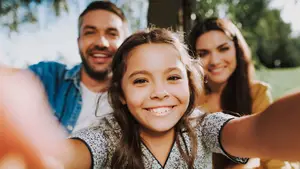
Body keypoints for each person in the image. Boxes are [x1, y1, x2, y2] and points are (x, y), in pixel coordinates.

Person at [1, 28, 300, 169]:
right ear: (120, 93)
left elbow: (258, 131)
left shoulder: (204, 127)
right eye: (141, 80)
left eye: (172, 77)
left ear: (191, 83)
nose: (159, 92)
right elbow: (66, 158)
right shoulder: (108, 135)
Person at [188, 17, 292, 169]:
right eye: (203, 53)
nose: (215, 60)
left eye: (223, 48)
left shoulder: (257, 94)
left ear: (237, 49)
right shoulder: (189, 103)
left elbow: (275, 160)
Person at [27, 1, 129, 133]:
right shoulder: (50, 78)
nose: (101, 43)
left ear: (125, 44)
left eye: (112, 33)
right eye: (90, 32)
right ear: (79, 41)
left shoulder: (134, 96)